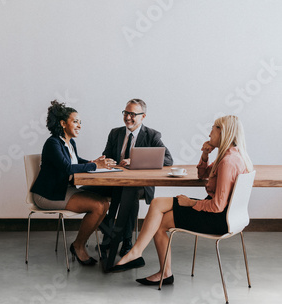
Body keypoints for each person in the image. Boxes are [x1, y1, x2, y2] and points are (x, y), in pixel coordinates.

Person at [111, 115, 253, 285]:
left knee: (160, 222)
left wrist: (191, 203)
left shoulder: (228, 162)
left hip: (217, 218)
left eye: (214, 128)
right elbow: (202, 175)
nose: (209, 134)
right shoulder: (232, 156)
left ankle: (161, 270)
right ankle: (137, 252)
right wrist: (205, 154)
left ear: (224, 132)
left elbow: (217, 206)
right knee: (157, 204)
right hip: (228, 215)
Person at [31, 100, 115, 265]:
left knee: (104, 203)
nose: (79, 125)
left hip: (63, 190)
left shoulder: (70, 143)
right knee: (98, 206)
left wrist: (93, 161)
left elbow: (75, 161)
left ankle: (81, 243)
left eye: (80, 122)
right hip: (47, 195)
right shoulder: (53, 143)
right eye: (75, 121)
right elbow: (67, 167)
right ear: (63, 123)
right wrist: (94, 165)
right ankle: (78, 246)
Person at [97, 99, 173, 257]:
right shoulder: (115, 133)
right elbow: (107, 156)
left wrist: (135, 161)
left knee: (129, 193)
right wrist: (106, 161)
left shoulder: (152, 135)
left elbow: (168, 160)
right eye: (126, 113)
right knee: (103, 193)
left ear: (143, 116)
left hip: (140, 186)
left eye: (133, 114)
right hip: (116, 182)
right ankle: (112, 236)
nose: (128, 117)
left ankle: (124, 240)